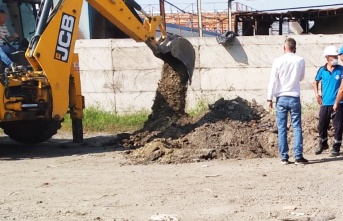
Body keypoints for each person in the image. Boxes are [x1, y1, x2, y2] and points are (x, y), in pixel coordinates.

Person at [267, 37, 308, 165]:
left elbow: (273, 81)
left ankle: (284, 157)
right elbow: (301, 78)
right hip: (294, 96)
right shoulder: (300, 60)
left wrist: (269, 98)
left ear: (284, 48)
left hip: (281, 98)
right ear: (295, 48)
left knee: (282, 128)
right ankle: (298, 157)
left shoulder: (277, 61)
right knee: (296, 127)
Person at [314, 46, 343, 157]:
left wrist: (337, 101)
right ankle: (323, 143)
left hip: (339, 103)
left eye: (337, 56)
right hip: (325, 103)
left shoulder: (341, 70)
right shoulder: (322, 70)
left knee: (338, 126)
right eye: (334, 56)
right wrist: (317, 95)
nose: (336, 58)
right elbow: (315, 82)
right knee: (322, 125)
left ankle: (336, 147)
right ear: (327, 57)